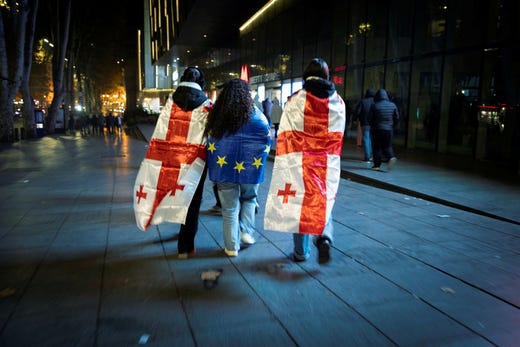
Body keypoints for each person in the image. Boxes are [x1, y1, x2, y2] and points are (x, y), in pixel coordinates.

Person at [264, 58, 346, 264]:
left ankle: (301, 252)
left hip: (299, 163)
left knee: (298, 206)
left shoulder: (295, 101)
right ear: (327, 76)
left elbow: (285, 134)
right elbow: (337, 135)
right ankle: (324, 236)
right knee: (323, 201)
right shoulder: (338, 102)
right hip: (325, 164)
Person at [133, 67, 211, 259]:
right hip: (195, 160)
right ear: (201, 82)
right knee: (192, 200)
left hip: (170, 158)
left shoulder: (170, 101)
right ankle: (185, 246)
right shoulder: (207, 104)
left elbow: (161, 131)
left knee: (171, 193)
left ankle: (179, 231)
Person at [205, 78, 271, 257]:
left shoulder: (217, 117)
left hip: (224, 170)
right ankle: (246, 230)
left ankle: (231, 247)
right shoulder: (256, 115)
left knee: (229, 208)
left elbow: (209, 140)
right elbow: (266, 134)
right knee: (249, 198)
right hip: (250, 168)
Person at [368, 88, 399, 171]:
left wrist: (373, 125)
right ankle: (391, 157)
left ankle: (377, 165)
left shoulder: (375, 105)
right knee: (387, 145)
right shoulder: (393, 105)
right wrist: (392, 125)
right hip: (388, 129)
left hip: (377, 129)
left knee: (376, 147)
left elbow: (369, 118)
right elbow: (396, 118)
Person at [354, 88, 375, 162]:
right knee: (371, 139)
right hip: (374, 123)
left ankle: (367, 157)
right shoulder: (375, 101)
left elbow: (357, 111)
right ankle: (371, 155)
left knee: (366, 139)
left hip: (365, 123)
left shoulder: (363, 101)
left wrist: (355, 119)